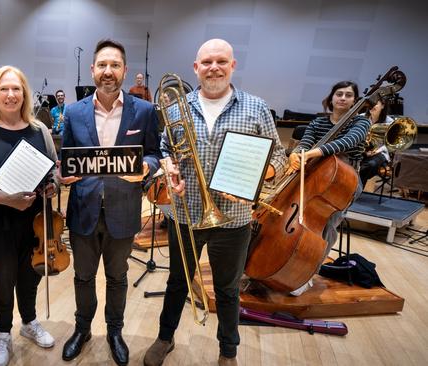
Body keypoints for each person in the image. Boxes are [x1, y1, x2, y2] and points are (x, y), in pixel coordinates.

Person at [143, 39, 287, 366]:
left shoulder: (256, 107)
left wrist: (257, 178)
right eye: (206, 62)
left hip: (234, 219)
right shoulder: (177, 106)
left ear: (232, 66)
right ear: (196, 68)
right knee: (177, 282)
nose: (214, 68)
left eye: (221, 61)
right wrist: (167, 167)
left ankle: (228, 352)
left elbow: (278, 154)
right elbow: (166, 149)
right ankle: (165, 338)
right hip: (186, 214)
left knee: (227, 289)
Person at [58, 39, 160, 366]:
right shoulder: (73, 112)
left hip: (124, 211)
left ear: (124, 71)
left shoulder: (144, 111)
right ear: (92, 70)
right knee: (83, 277)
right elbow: (67, 160)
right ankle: (82, 329)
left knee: (117, 278)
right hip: (82, 211)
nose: (108, 71)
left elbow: (155, 154)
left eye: (114, 65)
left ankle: (115, 331)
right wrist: (64, 175)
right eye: (102, 65)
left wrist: (147, 167)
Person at [0, 65, 58, 366]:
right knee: (2, 280)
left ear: (24, 93)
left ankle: (29, 323)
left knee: (30, 275)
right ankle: (3, 333)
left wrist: (52, 186)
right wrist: (3, 198)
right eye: (4, 89)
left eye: (16, 88)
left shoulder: (39, 130)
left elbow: (53, 168)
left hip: (34, 218)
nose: (10, 94)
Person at [287, 81, 383, 254]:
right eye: (339, 94)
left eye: (348, 95)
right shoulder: (317, 123)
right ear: (331, 98)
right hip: (315, 174)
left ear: (355, 101)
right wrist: (296, 153)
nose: (343, 98)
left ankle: (313, 264)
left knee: (325, 222)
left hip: (346, 181)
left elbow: (345, 143)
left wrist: (310, 154)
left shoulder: (361, 122)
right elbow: (305, 143)